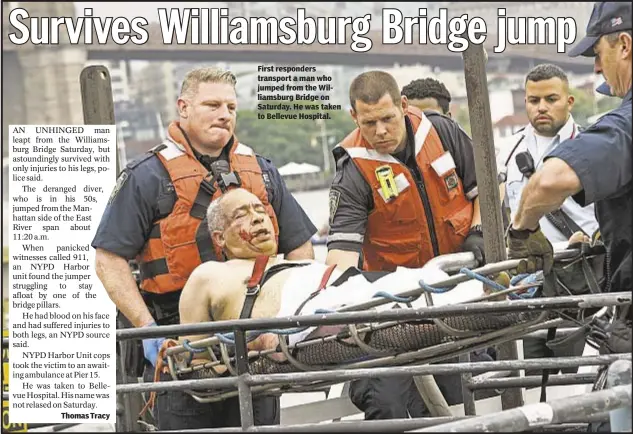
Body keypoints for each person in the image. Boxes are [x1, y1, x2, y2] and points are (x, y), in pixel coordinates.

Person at [92, 66, 317, 430]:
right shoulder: (146, 177)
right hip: (179, 345)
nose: (224, 114)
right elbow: (108, 260)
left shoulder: (261, 171)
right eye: (212, 104)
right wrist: (149, 332)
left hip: (254, 340)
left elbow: (300, 246)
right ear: (184, 107)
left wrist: (285, 314)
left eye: (230, 106)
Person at [325, 70, 489, 420]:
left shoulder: (441, 131)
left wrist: (477, 233)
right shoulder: (352, 171)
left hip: (460, 286)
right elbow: (340, 259)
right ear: (354, 117)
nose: (380, 131)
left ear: (403, 105)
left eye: (387, 118)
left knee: (479, 385)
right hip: (397, 310)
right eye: (369, 123)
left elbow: (490, 190)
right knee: (390, 404)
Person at [178, 188, 490, 366]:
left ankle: (491, 296)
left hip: (345, 289)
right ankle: (488, 300)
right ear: (219, 238)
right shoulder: (210, 275)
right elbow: (196, 359)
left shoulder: (291, 263)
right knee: (405, 299)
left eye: (260, 210)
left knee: (421, 281)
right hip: (313, 316)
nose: (257, 218)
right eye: (241, 215)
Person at [505, 2, 631, 424]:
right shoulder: (510, 149)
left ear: (624, 45)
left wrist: (522, 230)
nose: (598, 68)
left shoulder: (622, 127)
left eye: (597, 55)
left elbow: (547, 182)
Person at [497, 63, 600, 378]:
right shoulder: (507, 150)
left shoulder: (593, 147)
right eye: (533, 100)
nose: (541, 107)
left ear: (569, 102)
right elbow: (504, 210)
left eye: (551, 99)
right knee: (530, 371)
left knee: (577, 372)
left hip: (581, 276)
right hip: (530, 281)